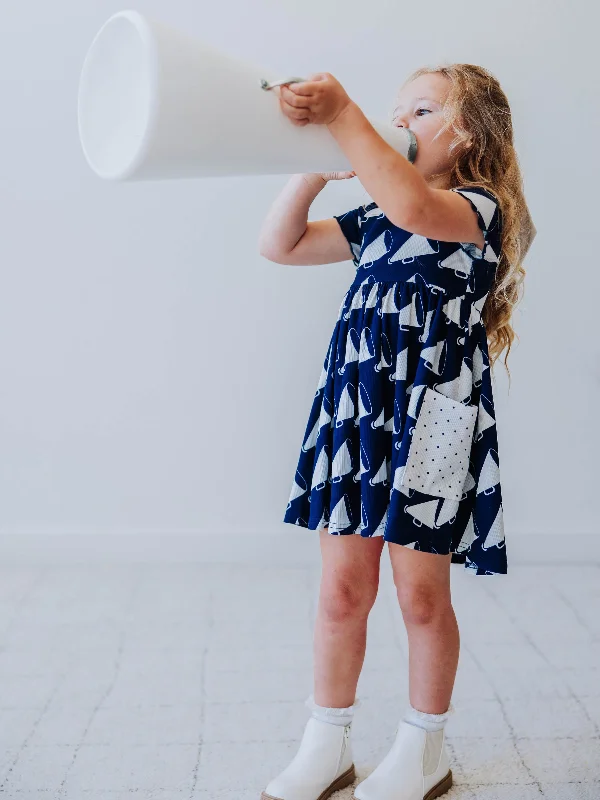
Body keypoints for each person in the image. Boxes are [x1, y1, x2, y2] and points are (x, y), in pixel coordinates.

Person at [257, 64, 535, 800]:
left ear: (467, 132)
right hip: (360, 412)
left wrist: (343, 110)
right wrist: (313, 174)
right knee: (342, 589)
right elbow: (279, 245)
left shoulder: (475, 209)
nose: (398, 122)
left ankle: (423, 747)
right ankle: (326, 741)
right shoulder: (379, 215)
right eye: (392, 111)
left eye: (420, 110)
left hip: (437, 417)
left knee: (420, 595)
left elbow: (414, 207)